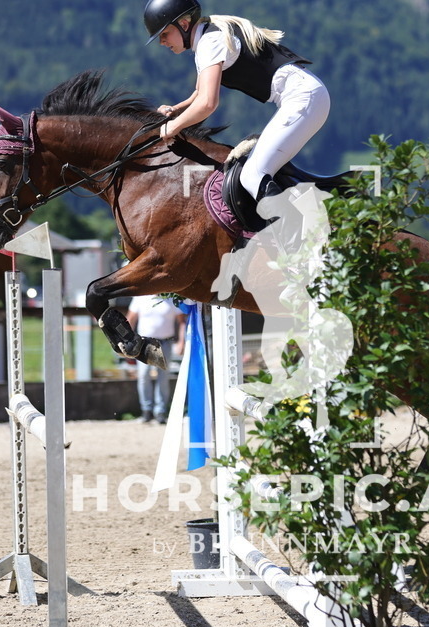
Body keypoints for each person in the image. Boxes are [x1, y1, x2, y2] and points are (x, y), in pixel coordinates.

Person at [144, 0, 330, 301]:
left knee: (253, 174)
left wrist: (172, 128)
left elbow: (208, 103)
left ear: (184, 24)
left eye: (164, 34)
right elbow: (198, 94)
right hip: (305, 97)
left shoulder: (209, 42)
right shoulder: (207, 38)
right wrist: (175, 110)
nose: (162, 42)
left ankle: (303, 257)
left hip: (303, 99)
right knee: (255, 172)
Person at [127, 295, 185, 423]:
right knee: (143, 375)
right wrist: (128, 341)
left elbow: (182, 321)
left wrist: (182, 341)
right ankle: (146, 410)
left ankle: (160, 412)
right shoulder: (140, 298)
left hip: (165, 342)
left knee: (163, 377)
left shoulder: (170, 298)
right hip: (144, 343)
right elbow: (130, 319)